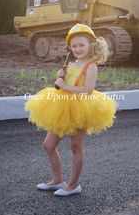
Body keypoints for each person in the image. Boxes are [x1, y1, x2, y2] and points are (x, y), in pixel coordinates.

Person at [25, 23, 116, 197]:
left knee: (75, 146)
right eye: (74, 46)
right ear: (69, 47)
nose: (78, 48)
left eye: (82, 44)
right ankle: (57, 180)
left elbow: (88, 90)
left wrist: (65, 85)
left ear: (90, 45)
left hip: (80, 107)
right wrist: (61, 77)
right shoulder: (71, 63)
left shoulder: (91, 66)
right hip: (62, 106)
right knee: (48, 145)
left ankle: (73, 185)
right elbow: (62, 86)